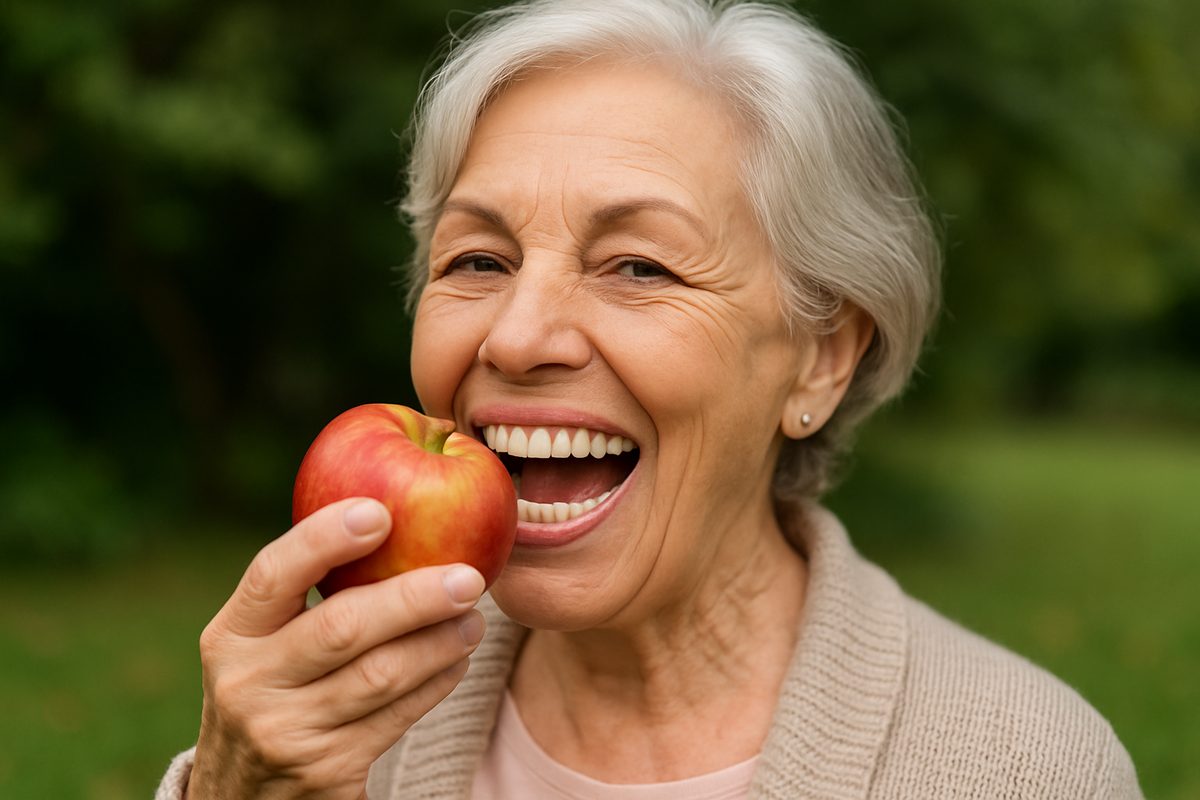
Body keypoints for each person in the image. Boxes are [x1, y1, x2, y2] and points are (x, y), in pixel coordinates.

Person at [158, 1, 1142, 797]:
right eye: (478, 258)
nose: (516, 334)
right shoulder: (323, 729)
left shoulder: (1025, 767)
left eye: (637, 265)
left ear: (819, 358)